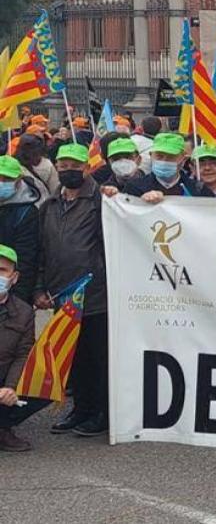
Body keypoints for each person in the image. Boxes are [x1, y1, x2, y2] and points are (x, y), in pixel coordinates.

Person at [31, 143, 107, 437]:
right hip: (61, 296)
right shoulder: (49, 206)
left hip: (96, 294)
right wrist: (39, 287)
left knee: (96, 356)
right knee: (72, 357)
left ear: (87, 167)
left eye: (75, 165)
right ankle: (80, 410)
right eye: (63, 165)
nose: (68, 170)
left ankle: (101, 413)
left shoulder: (100, 200)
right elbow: (41, 250)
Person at [0, 244, 47, 451]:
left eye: (2, 271)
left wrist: (10, 388)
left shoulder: (25, 312)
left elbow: (23, 354)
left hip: (3, 378)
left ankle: (3, 428)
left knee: (47, 384)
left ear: (14, 277)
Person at [117, 133, 209, 200]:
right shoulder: (134, 188)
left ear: (183, 159)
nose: (164, 161)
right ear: (151, 155)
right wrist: (140, 203)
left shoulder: (198, 190)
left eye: (171, 157)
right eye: (159, 156)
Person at [0, 156, 40, 305]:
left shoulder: (27, 213)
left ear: (19, 180)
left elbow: (27, 259)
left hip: (12, 292)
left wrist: (19, 302)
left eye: (7, 179)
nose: (1, 183)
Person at [13, 133, 58, 206]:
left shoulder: (13, 165)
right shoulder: (47, 164)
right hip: (42, 206)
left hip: (19, 208)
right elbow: (55, 189)